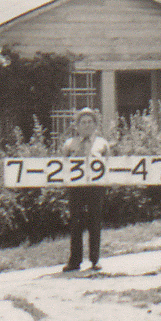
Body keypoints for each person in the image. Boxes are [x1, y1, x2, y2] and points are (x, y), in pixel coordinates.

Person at [61, 107, 109, 272]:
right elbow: (63, 167)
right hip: (76, 189)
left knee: (95, 221)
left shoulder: (102, 144)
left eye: (90, 122)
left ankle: (95, 260)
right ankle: (75, 261)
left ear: (95, 125)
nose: (87, 125)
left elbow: (109, 166)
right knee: (76, 223)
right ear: (77, 126)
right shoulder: (69, 144)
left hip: (96, 188)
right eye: (83, 122)